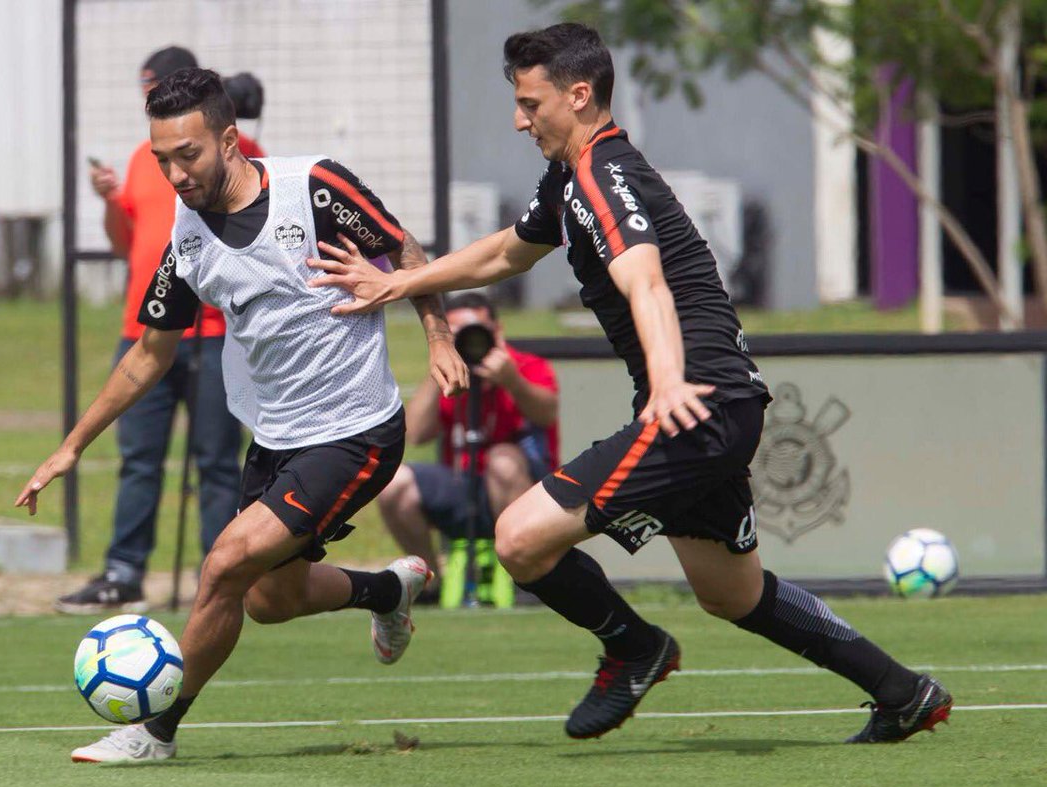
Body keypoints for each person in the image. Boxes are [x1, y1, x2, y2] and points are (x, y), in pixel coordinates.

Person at [308, 23, 952, 744]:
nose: (520, 120)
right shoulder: (572, 177)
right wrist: (400, 282)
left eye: (531, 103)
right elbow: (504, 254)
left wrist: (670, 383)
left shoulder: (602, 176)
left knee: (520, 539)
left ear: (580, 96)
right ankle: (903, 692)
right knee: (732, 594)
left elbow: (644, 278)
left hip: (694, 408)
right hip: (716, 408)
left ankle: (635, 647)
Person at [15, 67, 468, 762]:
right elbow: (148, 354)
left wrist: (438, 336)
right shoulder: (187, 237)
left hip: (356, 433)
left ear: (229, 139)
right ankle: (388, 588)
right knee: (267, 600)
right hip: (277, 438)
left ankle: (154, 731)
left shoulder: (312, 187)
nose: (174, 172)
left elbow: (404, 252)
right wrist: (72, 446)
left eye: (187, 154)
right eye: (161, 158)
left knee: (223, 563)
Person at [56, 46, 266, 613]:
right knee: (139, 457)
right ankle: (123, 572)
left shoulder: (233, 155)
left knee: (217, 459)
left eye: (156, 84)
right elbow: (126, 245)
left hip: (216, 334)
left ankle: (220, 571)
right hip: (142, 329)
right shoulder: (143, 160)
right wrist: (107, 203)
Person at [377, 291, 559, 600]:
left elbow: (547, 413)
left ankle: (527, 581)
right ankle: (430, 585)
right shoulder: (451, 373)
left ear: (497, 331)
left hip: (524, 492)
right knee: (394, 484)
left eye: (477, 331)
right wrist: (441, 367)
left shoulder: (526, 366)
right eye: (458, 333)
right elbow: (417, 434)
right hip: (463, 487)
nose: (470, 340)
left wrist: (511, 380)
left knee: (502, 459)